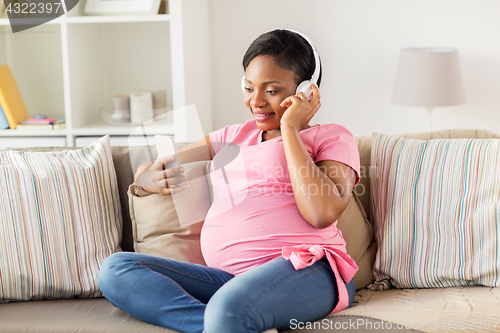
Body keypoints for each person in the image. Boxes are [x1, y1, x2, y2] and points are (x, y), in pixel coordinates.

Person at [98, 29, 361, 333]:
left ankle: (227, 320)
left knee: (228, 309)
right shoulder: (230, 137)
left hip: (311, 271)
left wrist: (290, 129)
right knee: (116, 269)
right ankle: (220, 325)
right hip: (230, 282)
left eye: (272, 91)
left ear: (305, 90)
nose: (256, 102)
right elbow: (152, 168)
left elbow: (321, 213)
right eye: (249, 88)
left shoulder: (331, 136)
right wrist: (150, 178)